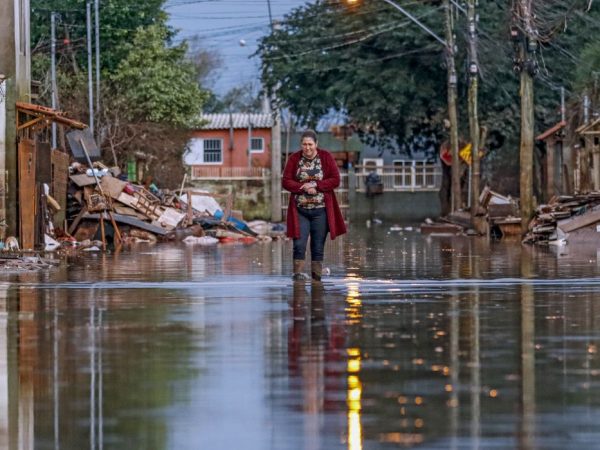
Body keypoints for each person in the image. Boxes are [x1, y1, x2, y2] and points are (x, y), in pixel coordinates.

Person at [282, 129, 347, 282]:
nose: (307, 147)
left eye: (310, 144)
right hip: (300, 211)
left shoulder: (326, 157)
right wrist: (302, 187)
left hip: (321, 211)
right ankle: (298, 280)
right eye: (304, 144)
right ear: (301, 145)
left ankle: (316, 281)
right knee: (299, 245)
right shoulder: (294, 159)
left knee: (317, 248)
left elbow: (335, 180)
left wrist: (316, 185)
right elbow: (286, 181)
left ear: (316, 144)